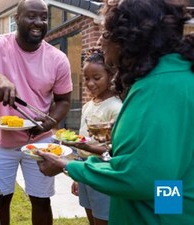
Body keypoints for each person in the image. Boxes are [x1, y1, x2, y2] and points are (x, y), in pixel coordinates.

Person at [37, 0, 194, 224]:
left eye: (106, 33)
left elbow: (146, 178)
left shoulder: (161, 88)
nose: (100, 40)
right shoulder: (173, 77)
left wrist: (69, 166)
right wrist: (106, 150)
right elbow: (167, 171)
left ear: (128, 39)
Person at [0, 0, 72, 224]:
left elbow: (64, 101)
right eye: (32, 16)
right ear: (16, 19)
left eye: (43, 17)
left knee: (41, 200)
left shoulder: (58, 59)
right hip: (1, 140)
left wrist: (49, 123)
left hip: (40, 142)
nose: (39, 22)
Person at [65, 47, 122, 225]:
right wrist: (77, 176)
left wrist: (86, 148)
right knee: (90, 214)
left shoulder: (116, 107)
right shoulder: (87, 106)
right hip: (84, 167)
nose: (90, 83)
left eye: (96, 78)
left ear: (111, 76)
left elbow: (115, 148)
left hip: (102, 169)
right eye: (86, 78)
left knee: (102, 219)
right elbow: (83, 140)